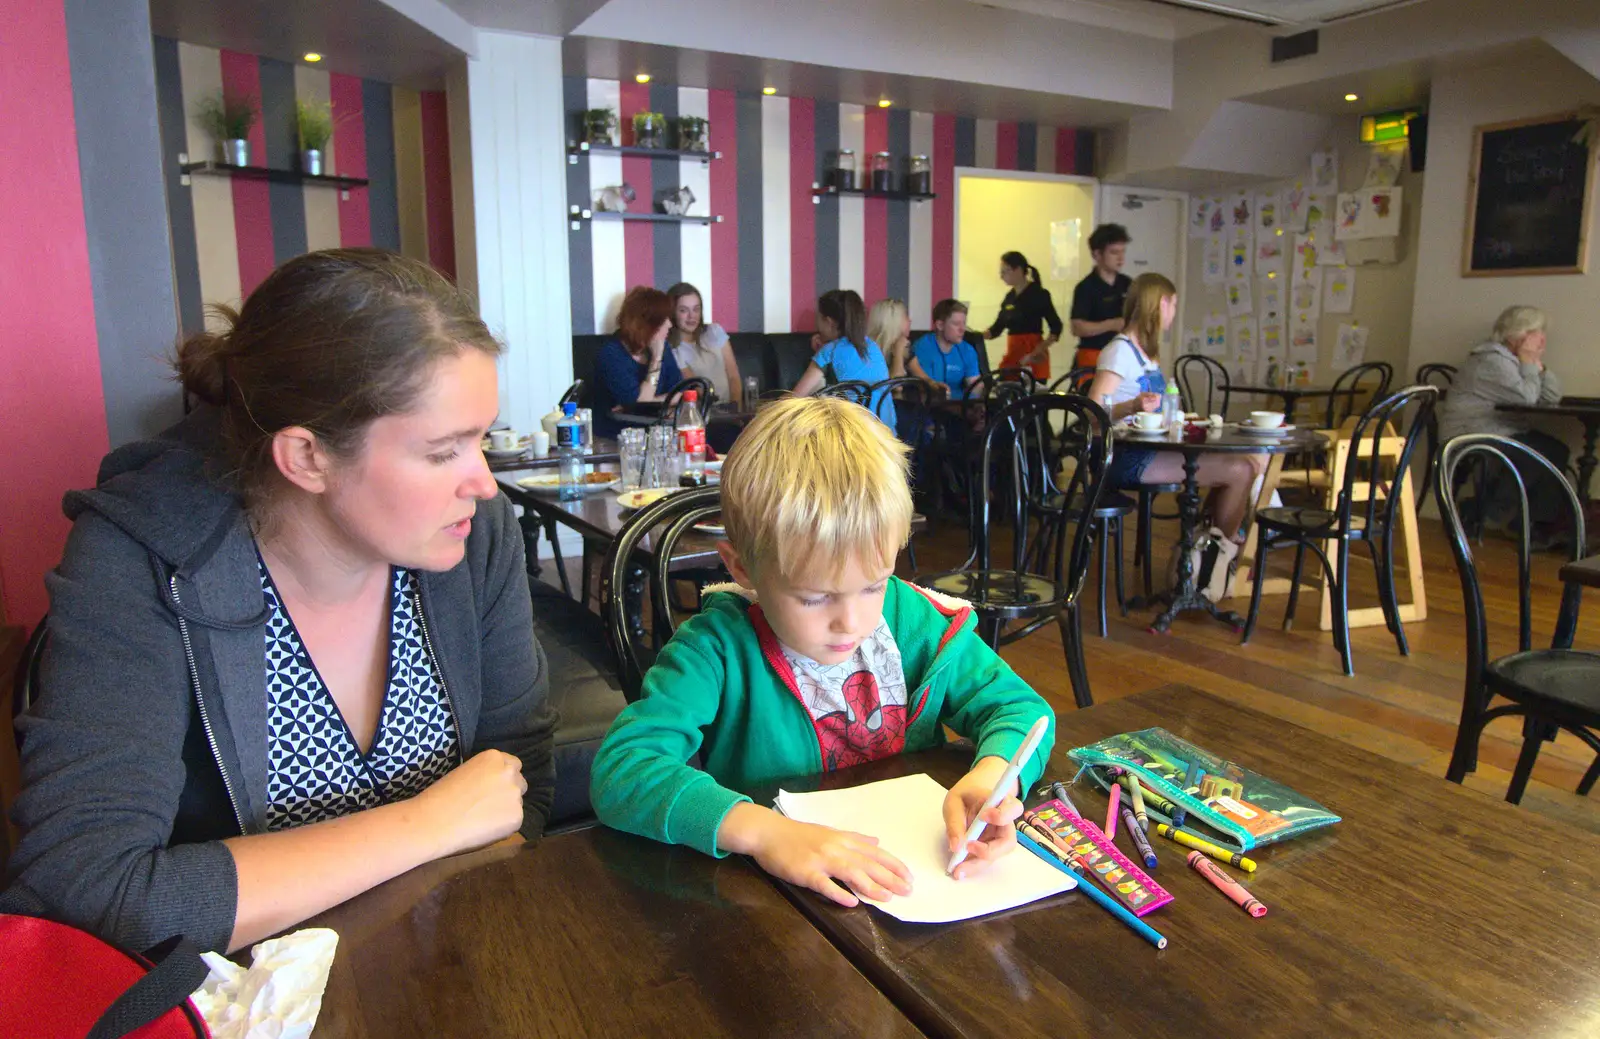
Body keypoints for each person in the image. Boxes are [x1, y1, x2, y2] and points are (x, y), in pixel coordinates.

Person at [6, 249, 555, 954]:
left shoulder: (472, 537)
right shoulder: (140, 557)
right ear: (306, 457)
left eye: (482, 438)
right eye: (444, 450)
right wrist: (427, 824)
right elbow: (85, 890)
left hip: (447, 961)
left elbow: (520, 769)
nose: (483, 482)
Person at [588, 396, 1055, 905]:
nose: (851, 622)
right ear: (742, 568)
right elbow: (624, 770)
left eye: (874, 584)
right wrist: (763, 832)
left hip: (913, 881)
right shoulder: (715, 649)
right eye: (813, 597)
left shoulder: (914, 621)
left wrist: (992, 779)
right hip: (777, 902)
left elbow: (1021, 710)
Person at [1087, 272, 1265, 601]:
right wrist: (1132, 405)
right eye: (1173, 306)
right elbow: (1092, 412)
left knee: (1249, 462)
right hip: (1121, 457)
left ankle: (1201, 560)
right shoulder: (1119, 352)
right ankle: (1219, 560)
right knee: (1241, 470)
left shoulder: (1147, 354)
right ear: (1160, 305)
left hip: (1147, 450)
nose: (1173, 314)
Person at [1437, 305, 1571, 541]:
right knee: (1537, 453)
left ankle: (1531, 524)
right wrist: (1529, 362)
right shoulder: (1491, 360)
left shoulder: (1514, 360)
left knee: (1555, 450)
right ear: (1518, 334)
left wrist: (1539, 365)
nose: (1542, 339)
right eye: (1536, 332)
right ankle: (1485, 511)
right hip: (1469, 433)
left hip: (1501, 430)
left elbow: (1552, 398)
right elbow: (1527, 399)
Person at [793, 289, 896, 429]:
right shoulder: (872, 346)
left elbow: (794, 399)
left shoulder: (830, 351)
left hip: (854, 441)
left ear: (829, 322)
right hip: (886, 438)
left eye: (818, 318)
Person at [593, 286, 683, 438]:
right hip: (618, 437)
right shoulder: (611, 354)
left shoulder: (662, 346)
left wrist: (648, 402)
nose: (670, 324)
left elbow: (680, 393)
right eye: (663, 320)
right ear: (646, 324)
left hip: (657, 432)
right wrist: (656, 359)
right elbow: (642, 402)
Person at [983, 251, 1062, 381]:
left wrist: (1038, 350)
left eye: (1005, 271)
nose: (1002, 276)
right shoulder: (1009, 298)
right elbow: (996, 329)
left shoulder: (1039, 294)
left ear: (1018, 270)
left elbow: (1056, 327)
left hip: (1034, 353)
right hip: (1013, 352)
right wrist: (978, 336)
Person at [667, 282, 742, 407]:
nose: (692, 316)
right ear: (673, 313)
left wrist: (736, 409)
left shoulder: (715, 331)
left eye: (696, 309)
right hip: (705, 412)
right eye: (683, 310)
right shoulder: (673, 349)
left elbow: (734, 377)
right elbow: (698, 389)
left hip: (732, 410)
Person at [1069, 224, 1132, 370]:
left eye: (1123, 252)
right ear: (1097, 254)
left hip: (1122, 354)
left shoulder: (1128, 284)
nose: (1121, 258)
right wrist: (1112, 324)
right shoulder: (1086, 287)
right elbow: (1077, 327)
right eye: (1114, 252)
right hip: (1093, 356)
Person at [911, 299, 983, 400]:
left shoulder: (968, 350)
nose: (962, 329)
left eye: (964, 323)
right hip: (930, 408)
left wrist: (976, 408)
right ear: (940, 325)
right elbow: (927, 390)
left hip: (961, 408)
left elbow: (976, 388)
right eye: (956, 324)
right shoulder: (922, 347)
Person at [868, 297, 912, 381]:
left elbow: (924, 378)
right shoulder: (871, 351)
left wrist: (934, 384)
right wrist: (898, 351)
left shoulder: (907, 347)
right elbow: (896, 387)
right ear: (893, 321)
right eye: (906, 316)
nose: (910, 320)